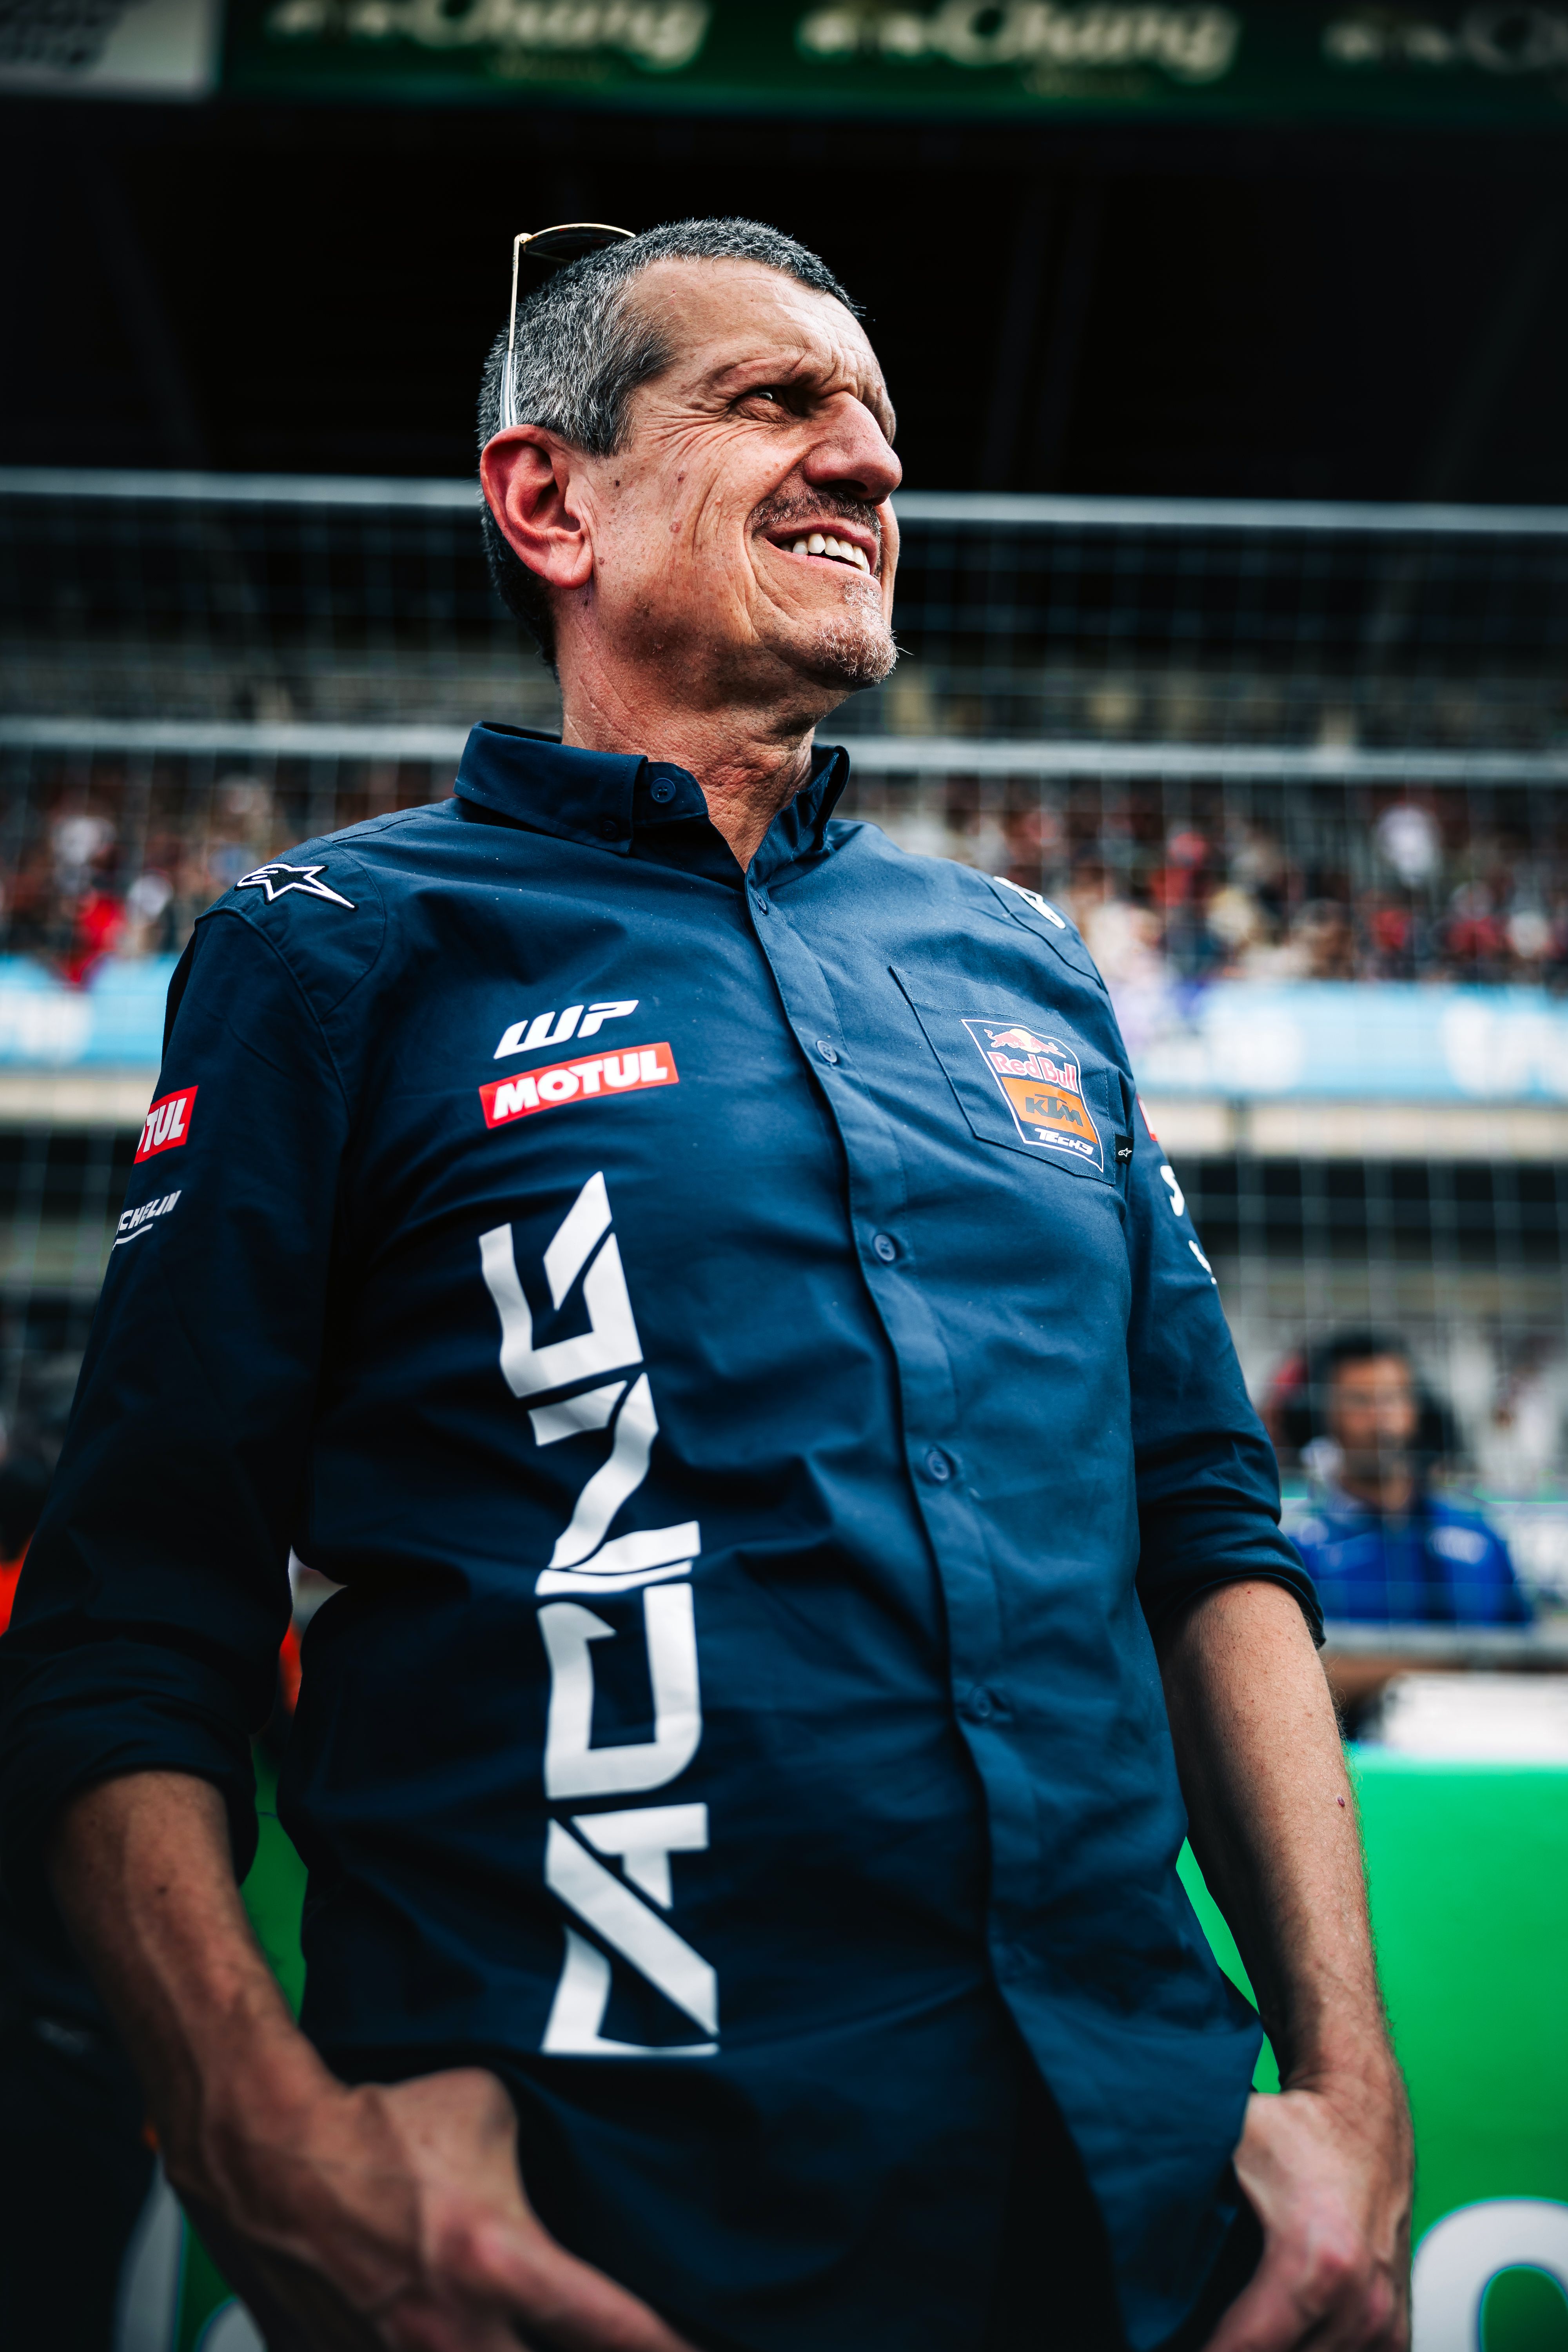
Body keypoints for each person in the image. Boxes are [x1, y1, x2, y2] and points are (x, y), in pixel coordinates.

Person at [0, 219, 1410, 2352]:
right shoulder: (331, 949)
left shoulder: (1022, 967)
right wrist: (258, 2131)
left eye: (882, 423)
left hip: (1142, 2213)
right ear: (547, 499)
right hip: (603, 2229)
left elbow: (1208, 1533)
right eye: (777, 402)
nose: (870, 461)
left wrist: (1350, 2096)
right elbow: (130, 1618)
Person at [1283, 1332, 1529, 1627]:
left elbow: (1528, 1643)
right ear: (1326, 1416)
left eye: (1392, 1398)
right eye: (1359, 1402)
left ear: (1416, 1407)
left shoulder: (1478, 1535)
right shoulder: (1301, 1550)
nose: (1380, 1419)